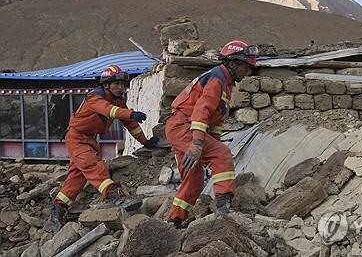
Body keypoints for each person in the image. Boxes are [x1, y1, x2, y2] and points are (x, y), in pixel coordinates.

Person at [44, 64, 158, 233]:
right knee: (93, 165)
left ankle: (56, 212)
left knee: (76, 178)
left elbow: (131, 124)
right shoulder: (95, 98)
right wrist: (130, 113)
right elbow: (110, 111)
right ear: (106, 85)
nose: (121, 88)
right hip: (77, 138)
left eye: (122, 84)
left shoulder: (118, 101)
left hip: (89, 139)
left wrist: (145, 141)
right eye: (117, 84)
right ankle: (114, 196)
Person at [164, 40, 258, 227]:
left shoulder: (225, 83)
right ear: (233, 63)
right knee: (222, 154)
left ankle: (173, 220)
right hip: (184, 126)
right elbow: (201, 111)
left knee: (194, 179)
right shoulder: (217, 78)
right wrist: (198, 144)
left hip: (182, 127)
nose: (247, 73)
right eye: (245, 68)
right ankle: (223, 206)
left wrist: (208, 147)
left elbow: (215, 120)